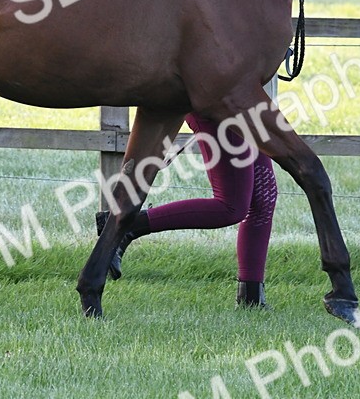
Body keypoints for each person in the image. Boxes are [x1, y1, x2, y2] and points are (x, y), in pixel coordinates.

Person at [94, 80, 279, 308]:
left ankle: (251, 298)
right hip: (220, 96)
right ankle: (127, 224)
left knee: (263, 198)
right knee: (231, 207)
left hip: (247, 97)